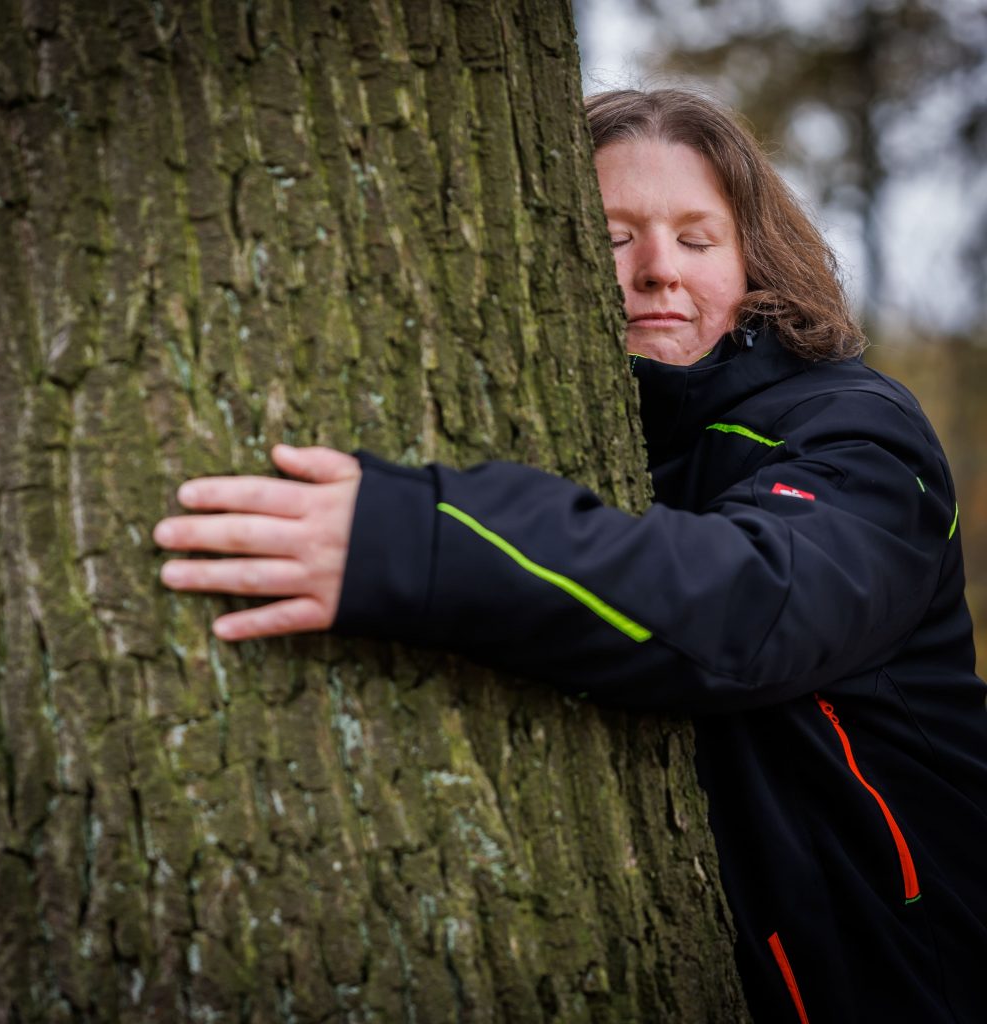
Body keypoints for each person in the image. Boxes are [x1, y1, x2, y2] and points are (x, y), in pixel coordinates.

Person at [153, 89, 987, 1022]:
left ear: (755, 261)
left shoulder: (858, 432)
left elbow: (750, 603)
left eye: (697, 239)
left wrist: (421, 541)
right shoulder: (612, 434)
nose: (657, 270)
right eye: (613, 236)